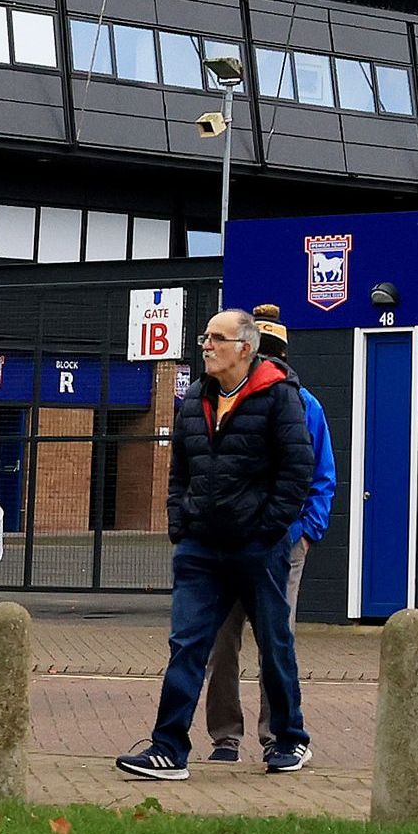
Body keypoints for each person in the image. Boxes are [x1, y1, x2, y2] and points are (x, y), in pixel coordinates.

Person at [112, 304, 316, 780]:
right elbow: (179, 471)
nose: (206, 345)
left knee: (274, 643)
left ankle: (289, 740)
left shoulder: (281, 397)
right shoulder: (193, 401)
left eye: (217, 339)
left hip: (257, 548)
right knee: (187, 645)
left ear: (245, 348)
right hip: (201, 550)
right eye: (205, 337)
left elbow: (298, 471)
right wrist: (180, 525)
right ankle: (168, 749)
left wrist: (267, 530)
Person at [201, 315, 337, 761]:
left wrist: (305, 534)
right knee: (222, 642)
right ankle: (225, 735)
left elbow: (322, 477)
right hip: (226, 546)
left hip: (281, 545)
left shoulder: (306, 406)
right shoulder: (219, 402)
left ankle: (278, 736)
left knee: (276, 641)